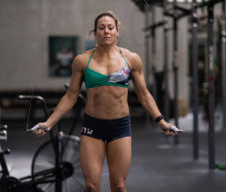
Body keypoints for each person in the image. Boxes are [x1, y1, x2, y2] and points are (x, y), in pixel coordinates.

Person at [33, 11, 179, 192]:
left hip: (120, 127)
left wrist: (161, 121)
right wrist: (48, 123)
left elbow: (144, 94)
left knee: (118, 186)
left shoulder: (131, 59)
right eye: (101, 28)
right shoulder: (82, 61)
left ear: (117, 31)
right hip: (93, 126)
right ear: (95, 33)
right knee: (91, 186)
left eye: (111, 28)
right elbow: (71, 96)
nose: (106, 31)